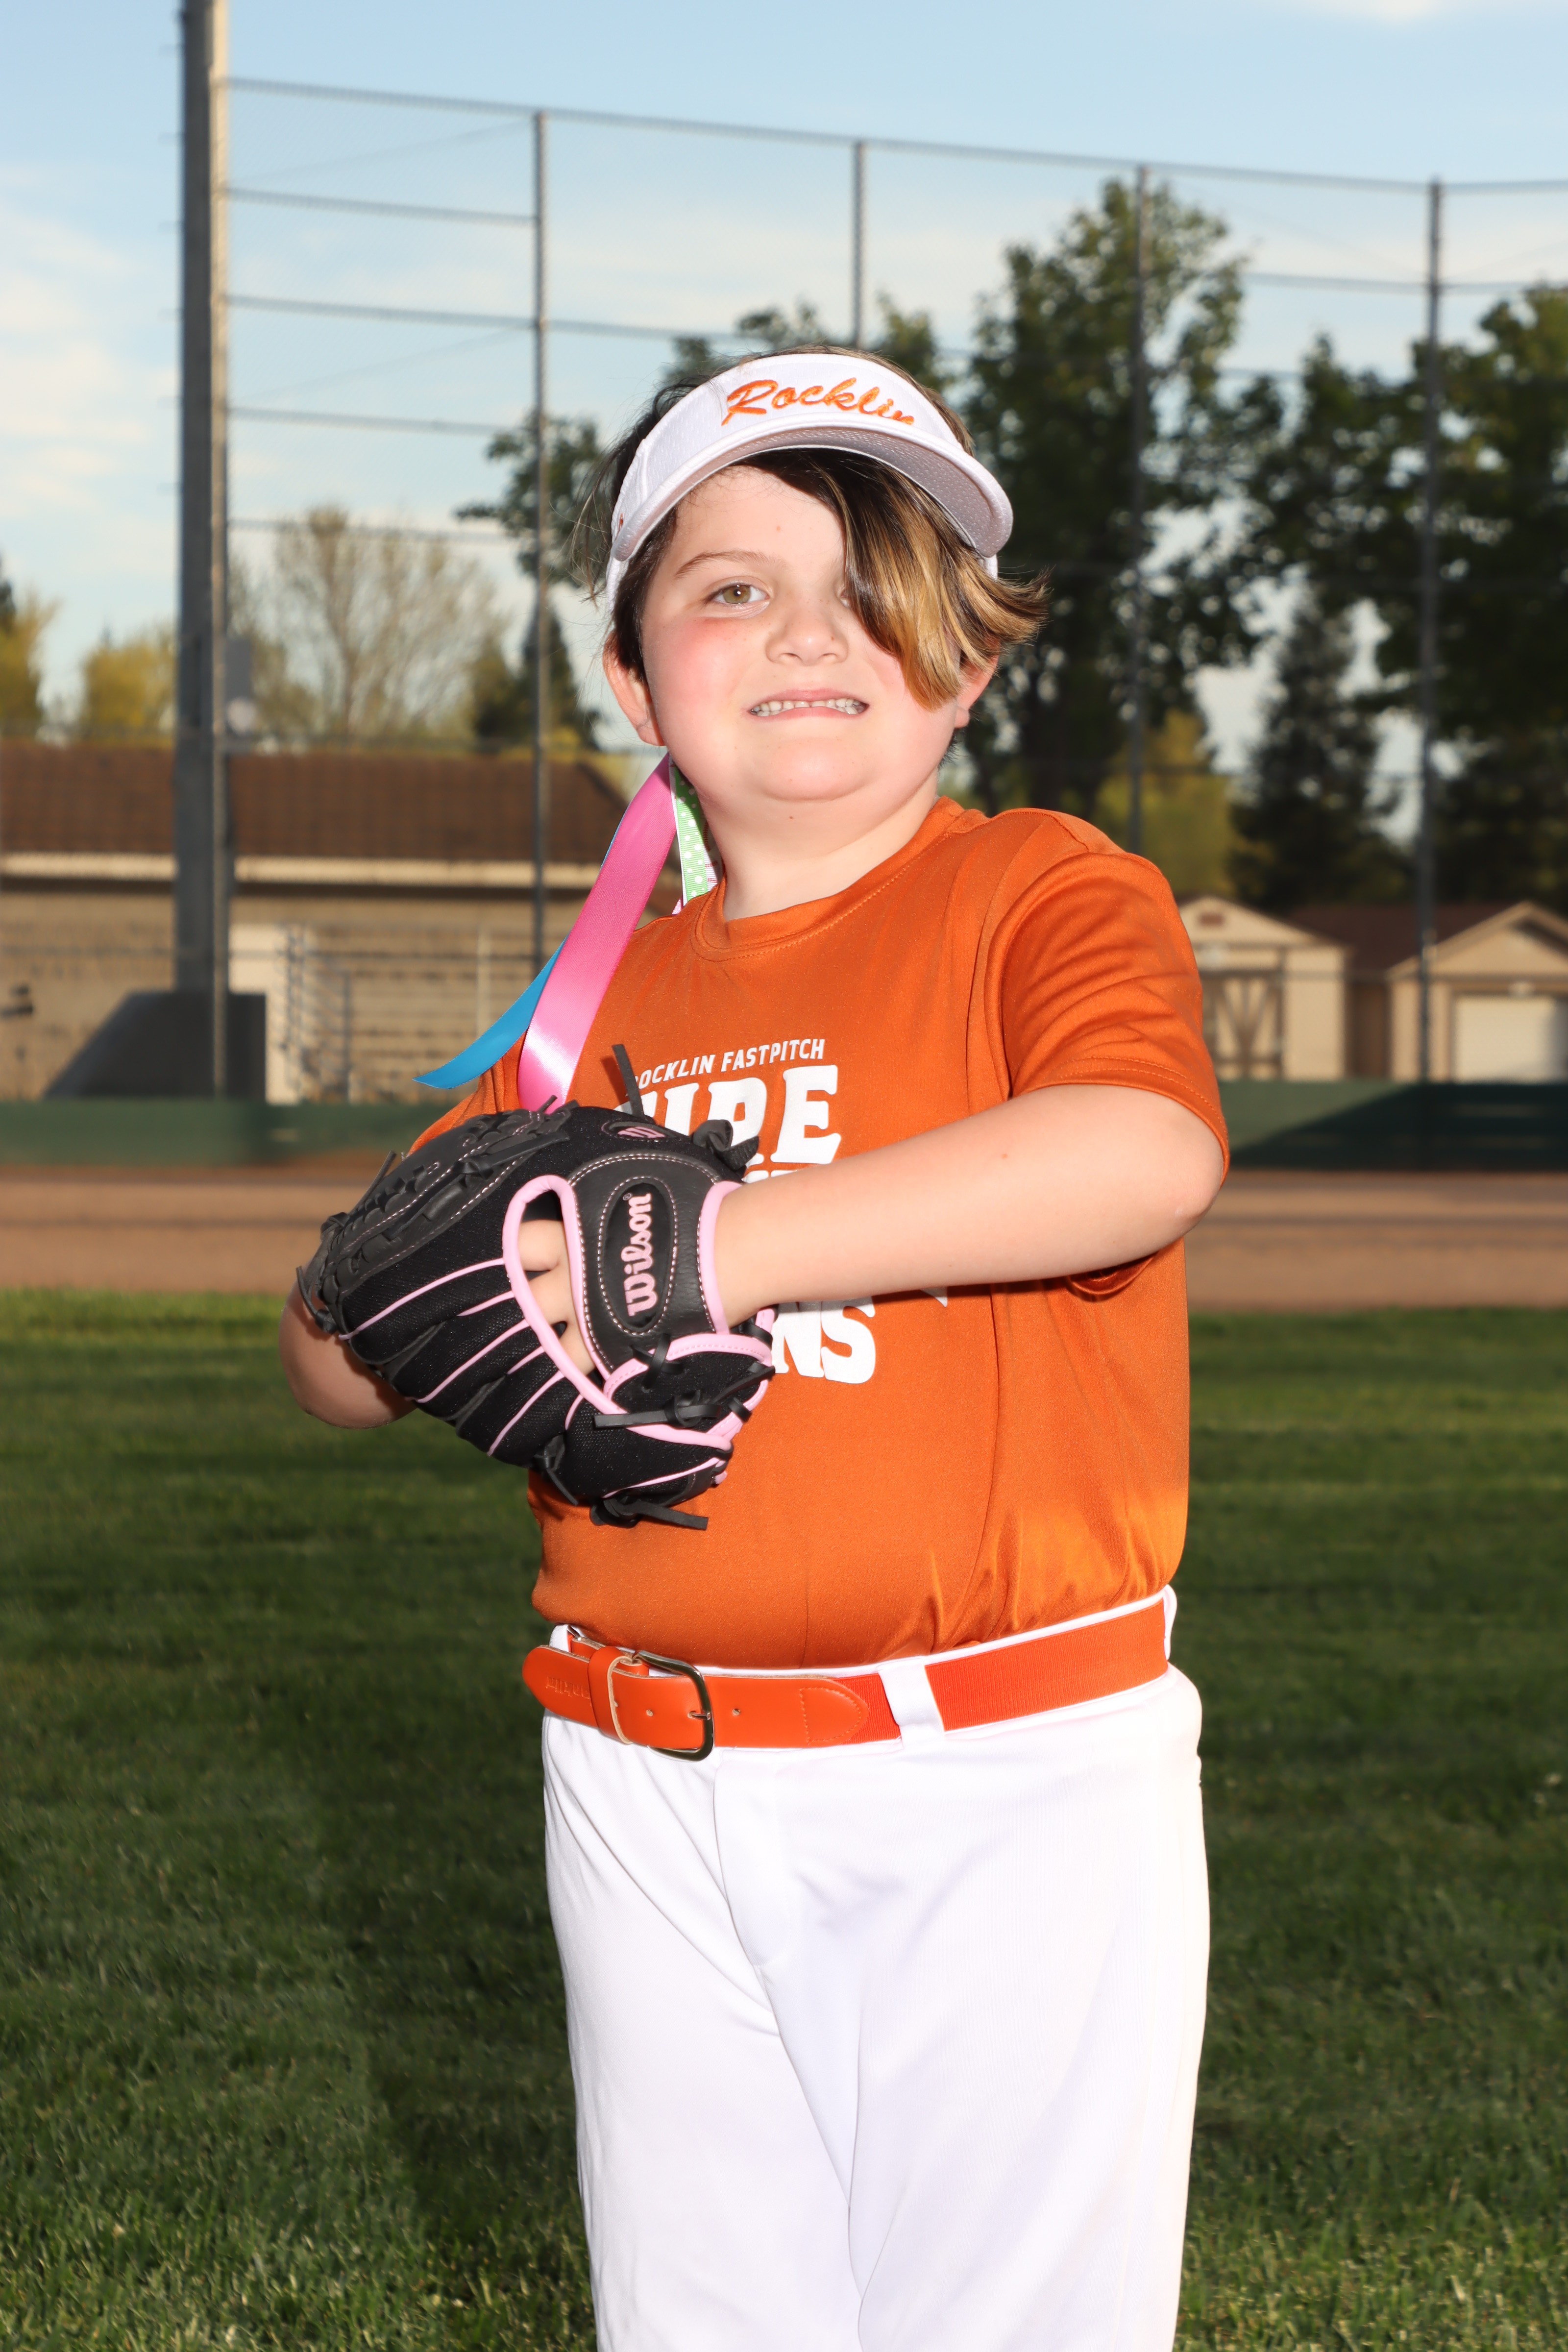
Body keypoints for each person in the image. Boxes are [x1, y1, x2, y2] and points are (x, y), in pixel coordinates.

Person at [281, 350, 1227, 2352]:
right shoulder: (588, 1013)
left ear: (970, 664)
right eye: (731, 590)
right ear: (635, 682)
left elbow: (1137, 1153)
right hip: (639, 1776)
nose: (806, 633)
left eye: (872, 589)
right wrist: (373, 1302)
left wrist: (703, 1252)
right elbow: (338, 1357)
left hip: (1003, 1771)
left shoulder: (1038, 892)